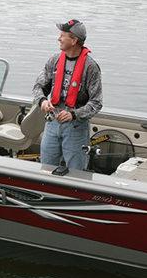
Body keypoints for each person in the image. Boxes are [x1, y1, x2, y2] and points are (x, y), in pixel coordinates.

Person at [32, 19, 103, 170]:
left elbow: (96, 103)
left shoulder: (90, 67)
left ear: (74, 40)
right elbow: (38, 87)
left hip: (76, 128)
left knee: (76, 174)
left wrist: (74, 114)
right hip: (51, 124)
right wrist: (43, 101)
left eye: (62, 35)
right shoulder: (54, 60)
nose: (59, 38)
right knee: (45, 170)